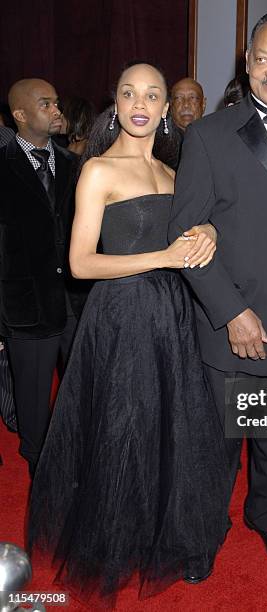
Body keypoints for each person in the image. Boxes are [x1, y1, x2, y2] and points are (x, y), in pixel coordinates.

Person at [27, 62, 228, 605]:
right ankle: (120, 541)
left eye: (153, 94)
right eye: (129, 93)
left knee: (173, 426)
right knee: (124, 429)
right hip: (122, 315)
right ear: (115, 104)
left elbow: (199, 231)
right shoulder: (98, 171)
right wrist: (162, 256)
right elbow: (80, 264)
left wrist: (205, 229)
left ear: (166, 108)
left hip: (174, 316)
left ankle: (170, 533)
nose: (141, 103)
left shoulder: (175, 175)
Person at [168, 9, 267, 560]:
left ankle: (266, 518)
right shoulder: (210, 135)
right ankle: (201, 533)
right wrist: (231, 312)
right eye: (262, 59)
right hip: (236, 325)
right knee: (216, 446)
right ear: (247, 61)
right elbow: (184, 233)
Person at [0, 78, 88, 478]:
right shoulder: (2, 168)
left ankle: (76, 466)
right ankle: (41, 480)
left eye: (56, 102)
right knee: (33, 406)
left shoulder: (74, 165)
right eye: (45, 104)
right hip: (26, 308)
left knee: (81, 393)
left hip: (76, 301)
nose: (56, 110)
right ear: (19, 115)